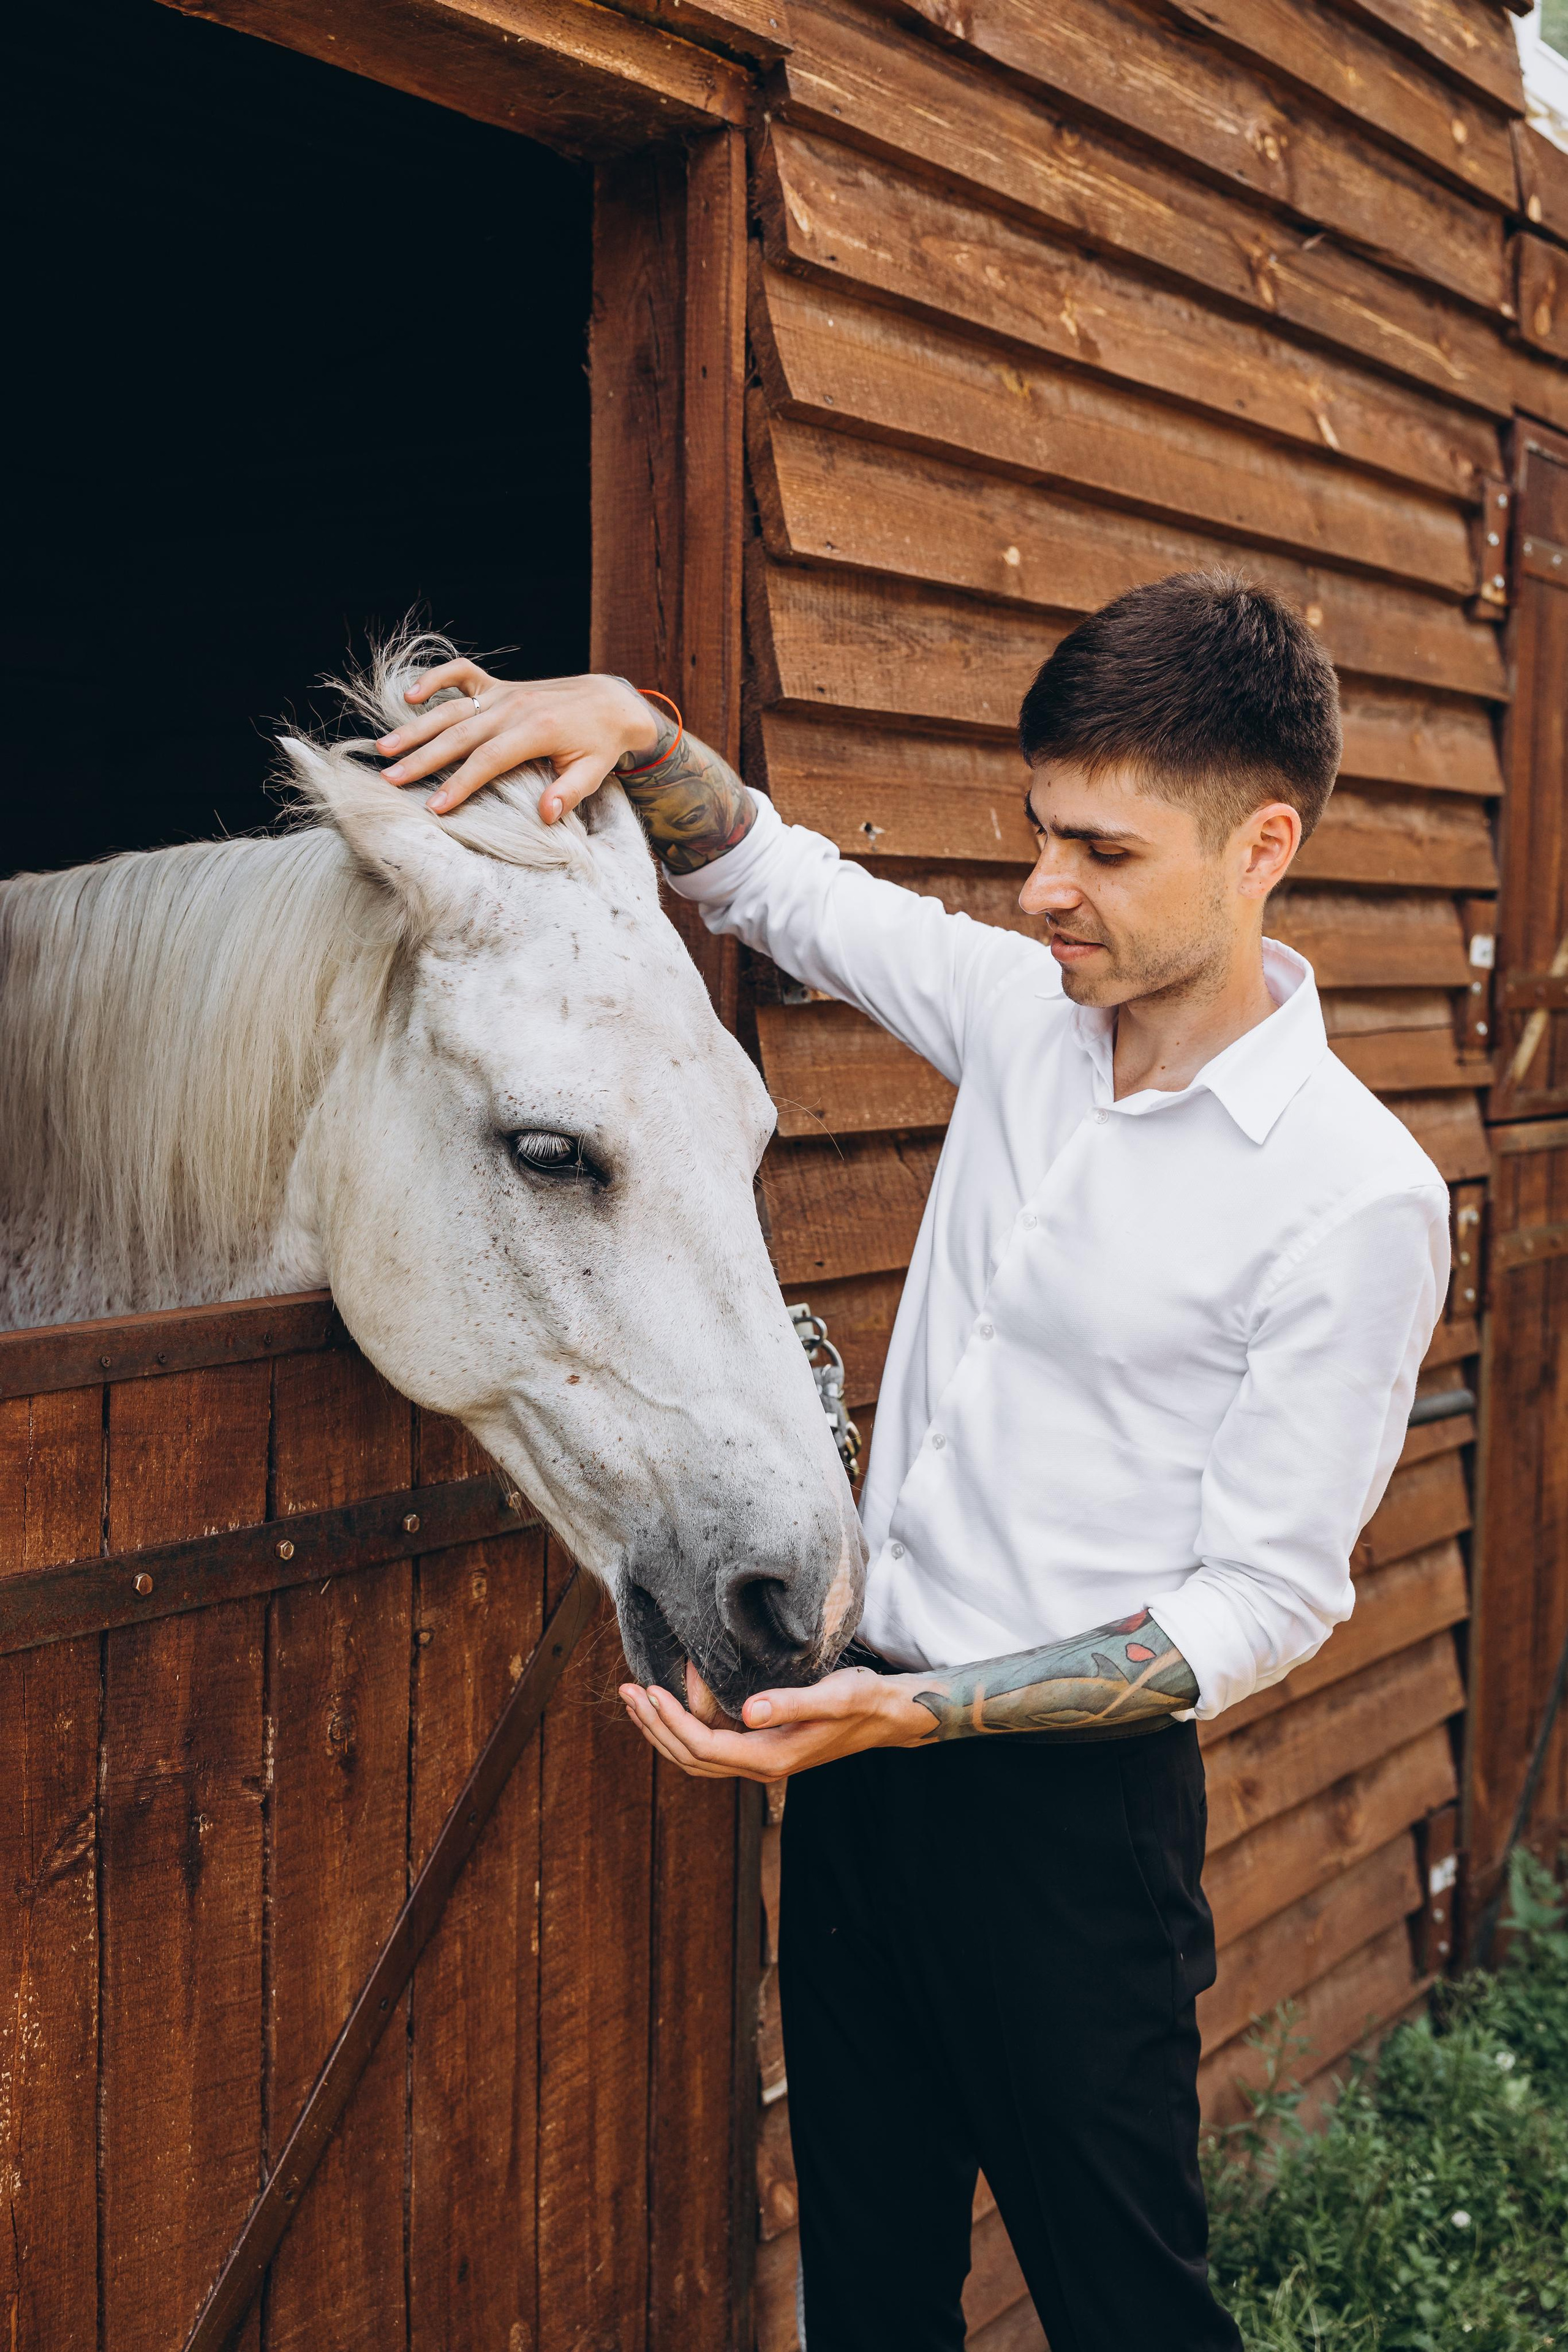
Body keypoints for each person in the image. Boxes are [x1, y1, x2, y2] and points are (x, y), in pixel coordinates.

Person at [375, 571, 1450, 2351]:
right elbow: (777, 876)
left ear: (1264, 845)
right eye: (1040, 834)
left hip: (1067, 1839)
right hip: (860, 1779)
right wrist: (640, 728)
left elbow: (1266, 1600)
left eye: (1102, 852)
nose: (1044, 890)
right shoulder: (1026, 1012)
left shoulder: (1355, 1195)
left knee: (1128, 2312)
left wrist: (924, 1716)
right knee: (870, 2293)